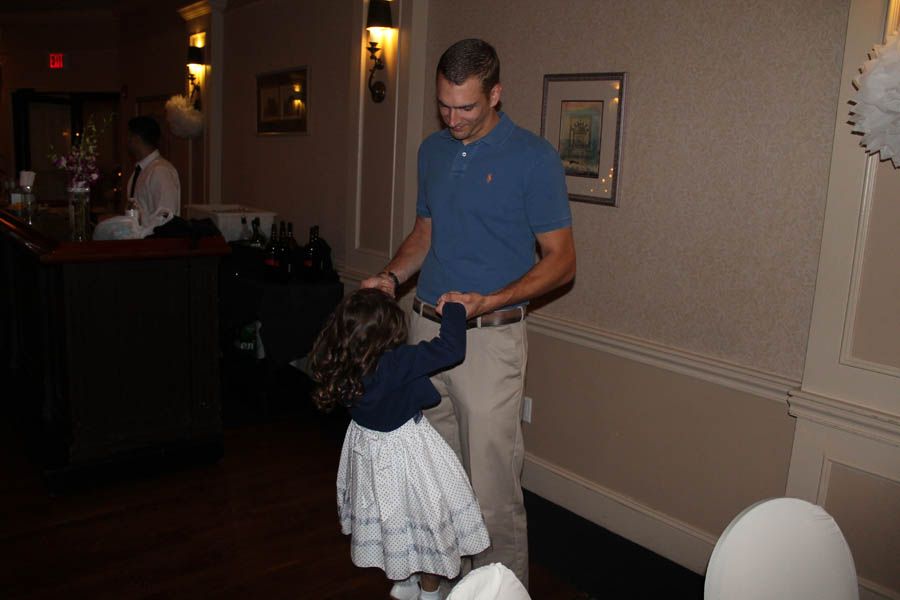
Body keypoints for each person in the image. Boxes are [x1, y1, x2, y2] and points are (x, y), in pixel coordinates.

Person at [361, 38, 576, 587]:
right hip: (424, 330)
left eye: (467, 107)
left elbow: (562, 263)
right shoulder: (432, 151)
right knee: (432, 479)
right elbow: (424, 234)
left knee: (489, 493)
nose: (453, 119)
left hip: (488, 340)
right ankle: (441, 588)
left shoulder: (534, 158)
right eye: (444, 105)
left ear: (496, 93)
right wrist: (390, 277)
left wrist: (493, 299)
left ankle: (499, 594)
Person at [309, 288, 491, 600]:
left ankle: (404, 580)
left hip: (368, 451)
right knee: (428, 520)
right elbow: (450, 349)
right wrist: (455, 310)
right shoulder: (395, 364)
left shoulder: (341, 360)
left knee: (394, 517)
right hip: (409, 450)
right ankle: (430, 593)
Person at [125, 116, 180, 221]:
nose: (127, 141)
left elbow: (166, 219)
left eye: (129, 136)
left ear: (136, 138)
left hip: (153, 237)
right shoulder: (140, 170)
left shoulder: (160, 171)